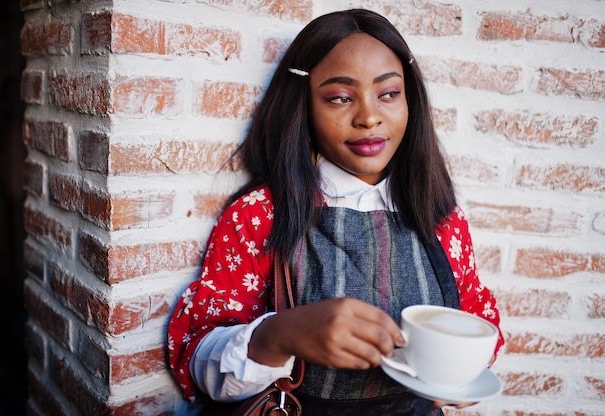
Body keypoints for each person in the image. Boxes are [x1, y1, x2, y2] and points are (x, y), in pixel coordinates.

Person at [167, 8, 504, 416]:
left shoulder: (442, 220)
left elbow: (478, 322)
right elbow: (196, 360)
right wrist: (280, 335)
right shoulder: (259, 215)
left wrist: (464, 371)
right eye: (340, 98)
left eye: (388, 94)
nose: (368, 116)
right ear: (304, 104)